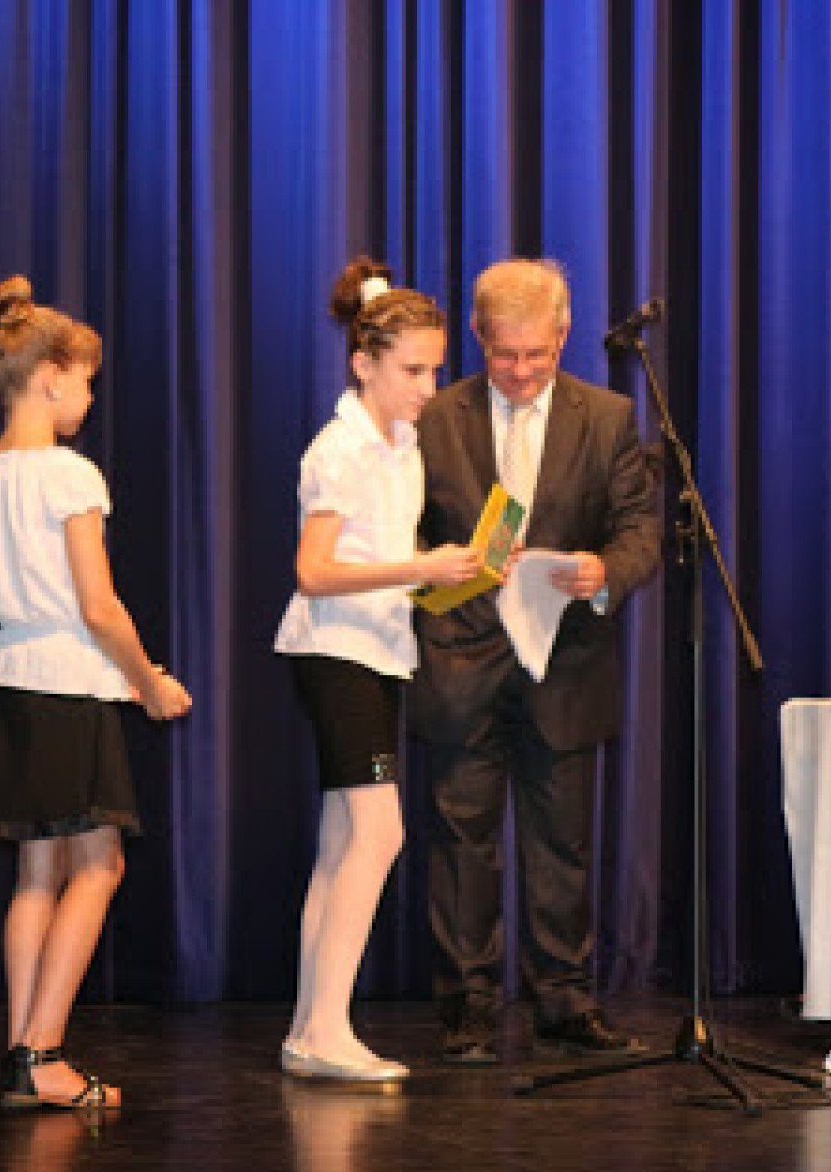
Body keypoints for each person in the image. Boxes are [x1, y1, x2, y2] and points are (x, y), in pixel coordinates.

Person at [0, 275, 192, 1111]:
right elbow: (99, 606)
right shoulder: (69, 475)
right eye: (84, 381)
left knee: (37, 872)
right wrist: (149, 681)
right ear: (49, 377)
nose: (88, 397)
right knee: (99, 863)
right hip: (65, 685)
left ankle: (23, 1054)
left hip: (8, 681)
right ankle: (42, 1049)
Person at [412, 257, 661, 1065]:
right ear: (476, 336)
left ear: (564, 335)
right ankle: (467, 1004)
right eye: (503, 354)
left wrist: (604, 570)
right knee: (462, 840)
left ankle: (565, 1001)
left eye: (537, 355)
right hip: (460, 654)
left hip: (566, 657)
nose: (520, 372)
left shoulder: (609, 417)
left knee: (563, 841)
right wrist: (433, 568)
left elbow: (640, 528)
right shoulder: (432, 417)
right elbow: (399, 531)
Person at [273, 257, 479, 1083]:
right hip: (337, 654)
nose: (429, 386)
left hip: (374, 651)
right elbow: (313, 570)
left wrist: (445, 573)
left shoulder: (400, 445)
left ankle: (309, 1027)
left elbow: (384, 560)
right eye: (413, 370)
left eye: (434, 369)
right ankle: (327, 1028)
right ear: (364, 364)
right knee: (380, 832)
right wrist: (420, 566)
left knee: (340, 847)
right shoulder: (342, 450)